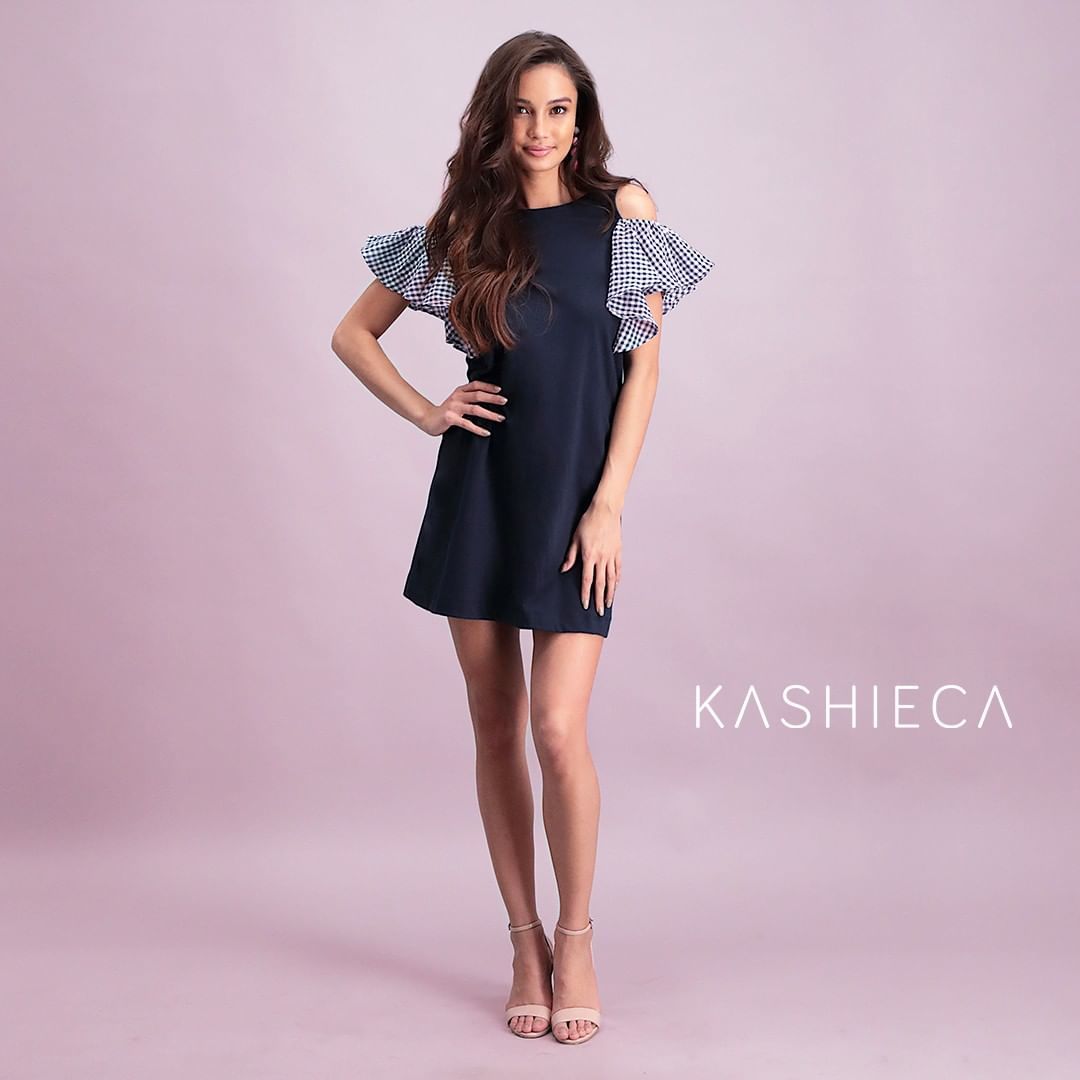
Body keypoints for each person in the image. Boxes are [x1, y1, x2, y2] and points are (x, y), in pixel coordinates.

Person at [331, 31, 713, 1045]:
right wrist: (427, 411)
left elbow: (645, 369)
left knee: (556, 728)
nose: (540, 129)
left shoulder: (625, 216)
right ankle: (523, 941)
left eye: (558, 110)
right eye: (522, 109)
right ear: (495, 118)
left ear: (580, 121)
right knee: (496, 726)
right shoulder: (464, 223)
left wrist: (609, 504)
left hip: (577, 502)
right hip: (482, 500)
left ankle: (577, 938)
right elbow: (352, 333)